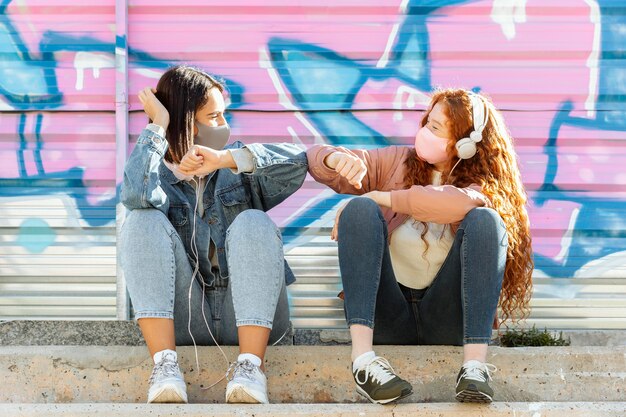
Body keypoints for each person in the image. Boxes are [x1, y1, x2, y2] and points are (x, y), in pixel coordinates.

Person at [306, 88, 533, 404]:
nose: (424, 132)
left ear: (466, 144)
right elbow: (316, 160)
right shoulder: (397, 161)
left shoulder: (484, 182)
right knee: (359, 209)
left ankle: (474, 367)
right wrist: (335, 158)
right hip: (389, 312)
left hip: (447, 318)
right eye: (427, 122)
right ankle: (363, 363)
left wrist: (384, 197)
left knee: (486, 220)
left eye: (436, 128)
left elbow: (451, 204)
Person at [119, 65, 308, 404]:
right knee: (140, 220)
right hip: (186, 319)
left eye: (223, 115)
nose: (223, 125)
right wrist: (158, 126)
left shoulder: (235, 165)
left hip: (251, 316)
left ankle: (251, 369)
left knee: (253, 221)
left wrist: (224, 159)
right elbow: (135, 194)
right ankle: (165, 366)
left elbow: (298, 164)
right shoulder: (156, 174)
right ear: (185, 121)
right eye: (214, 117)